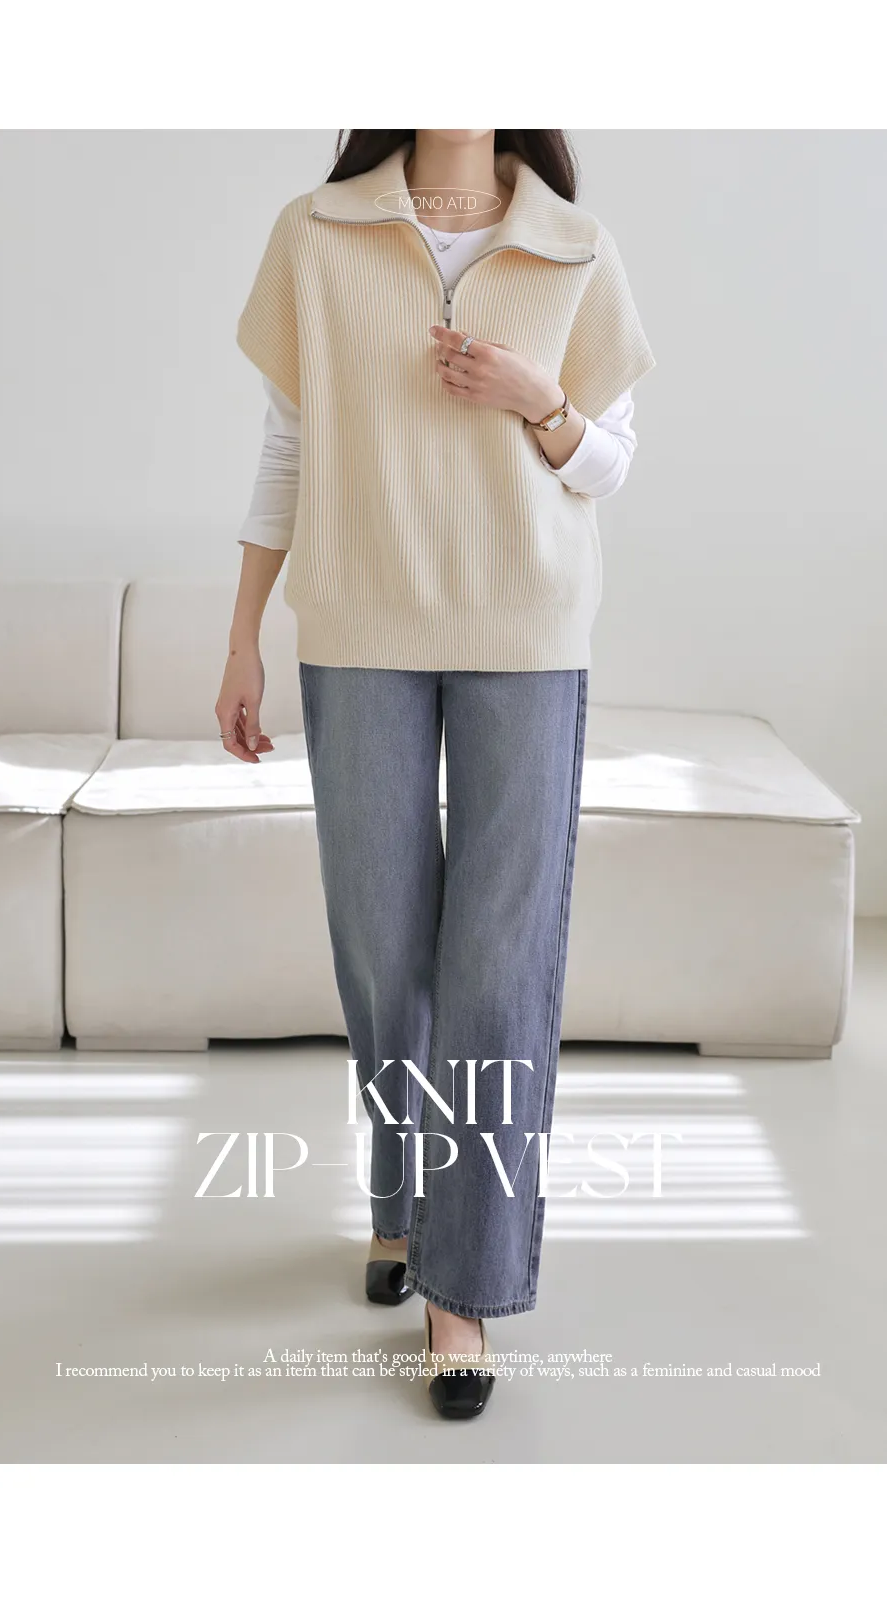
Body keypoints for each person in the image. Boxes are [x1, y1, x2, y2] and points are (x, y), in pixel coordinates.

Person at [216, 129, 655, 1420]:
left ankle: (460, 1286)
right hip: (359, 625)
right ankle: (400, 1199)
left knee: (498, 962)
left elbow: (611, 462)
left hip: (528, 631)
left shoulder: (576, 248)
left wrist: (538, 398)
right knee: (380, 943)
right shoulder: (316, 235)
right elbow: (287, 448)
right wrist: (242, 636)